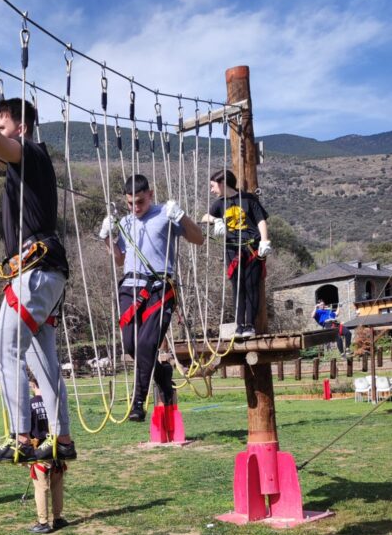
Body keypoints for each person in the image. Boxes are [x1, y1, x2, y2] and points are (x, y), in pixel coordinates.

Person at [0, 50, 75, 465]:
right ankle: (62, 438)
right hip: (45, 274)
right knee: (42, 360)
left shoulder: (32, 151)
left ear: (20, 128)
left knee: (3, 349)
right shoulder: (26, 165)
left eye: (3, 123)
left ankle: (22, 436)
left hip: (35, 271)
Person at [100, 174, 204, 421]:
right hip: (130, 287)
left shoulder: (165, 214)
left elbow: (198, 239)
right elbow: (119, 260)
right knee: (130, 345)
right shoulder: (126, 222)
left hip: (159, 286)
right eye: (130, 203)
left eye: (140, 202)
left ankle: (138, 401)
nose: (135, 208)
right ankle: (161, 374)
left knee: (147, 343)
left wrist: (181, 216)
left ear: (150, 194)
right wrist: (106, 238)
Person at [204, 168, 272, 339]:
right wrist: (216, 220)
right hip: (232, 250)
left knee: (251, 285)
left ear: (222, 183)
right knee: (237, 287)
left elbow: (261, 220)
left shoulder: (248, 199)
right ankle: (239, 324)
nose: (212, 190)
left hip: (251, 248)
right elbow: (205, 217)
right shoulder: (219, 204)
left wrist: (264, 240)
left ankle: (250, 324)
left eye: (213, 186)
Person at [26, 375, 67, 534]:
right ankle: (58, 518)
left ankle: (43, 522)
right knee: (57, 486)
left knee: (41, 487)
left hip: (40, 451)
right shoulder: (56, 403)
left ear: (33, 384)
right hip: (57, 448)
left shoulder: (29, 405)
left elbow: (26, 430)